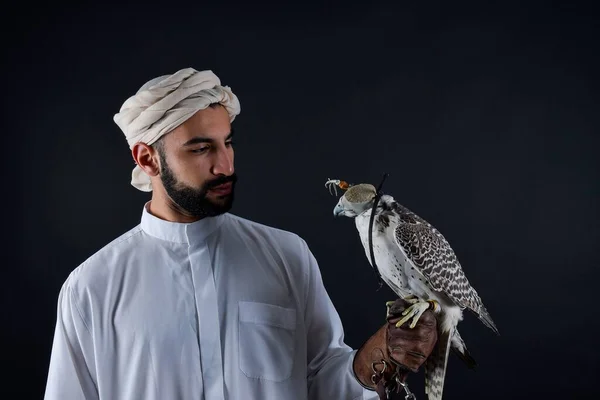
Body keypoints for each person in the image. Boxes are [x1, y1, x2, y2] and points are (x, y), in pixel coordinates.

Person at [43, 68, 438, 400]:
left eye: (227, 143)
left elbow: (322, 381)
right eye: (201, 149)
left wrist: (377, 357)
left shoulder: (287, 256)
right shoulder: (92, 289)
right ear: (147, 158)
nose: (225, 166)